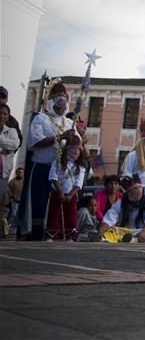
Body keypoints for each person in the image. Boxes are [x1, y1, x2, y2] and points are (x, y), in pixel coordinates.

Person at [21, 80, 76, 240]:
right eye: (58, 96)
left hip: (61, 172)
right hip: (42, 168)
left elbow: (78, 149)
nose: (61, 99)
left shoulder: (70, 123)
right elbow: (34, 143)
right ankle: (34, 235)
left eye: (64, 96)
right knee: (38, 203)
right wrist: (60, 137)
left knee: (57, 205)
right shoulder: (41, 119)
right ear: (51, 100)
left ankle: (54, 234)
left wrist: (79, 141)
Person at [100, 176, 145, 243]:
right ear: (128, 193)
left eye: (139, 187)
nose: (137, 191)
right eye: (133, 189)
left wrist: (144, 231)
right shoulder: (121, 202)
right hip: (126, 232)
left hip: (143, 231)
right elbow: (109, 219)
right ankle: (101, 239)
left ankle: (133, 240)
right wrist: (101, 232)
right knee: (112, 230)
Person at [47, 140, 86, 241]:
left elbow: (78, 183)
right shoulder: (58, 162)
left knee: (70, 216)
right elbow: (53, 176)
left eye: (78, 150)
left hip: (71, 195)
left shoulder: (80, 167)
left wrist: (70, 195)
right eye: (73, 148)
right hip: (57, 192)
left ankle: (69, 235)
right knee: (54, 214)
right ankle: (52, 234)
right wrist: (60, 192)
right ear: (67, 150)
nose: (76, 151)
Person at [0, 103, 20, 236]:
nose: (2, 116)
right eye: (0, 113)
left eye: (5, 114)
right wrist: (3, 148)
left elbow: (14, 144)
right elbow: (7, 146)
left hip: (3, 171)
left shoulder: (11, 131)